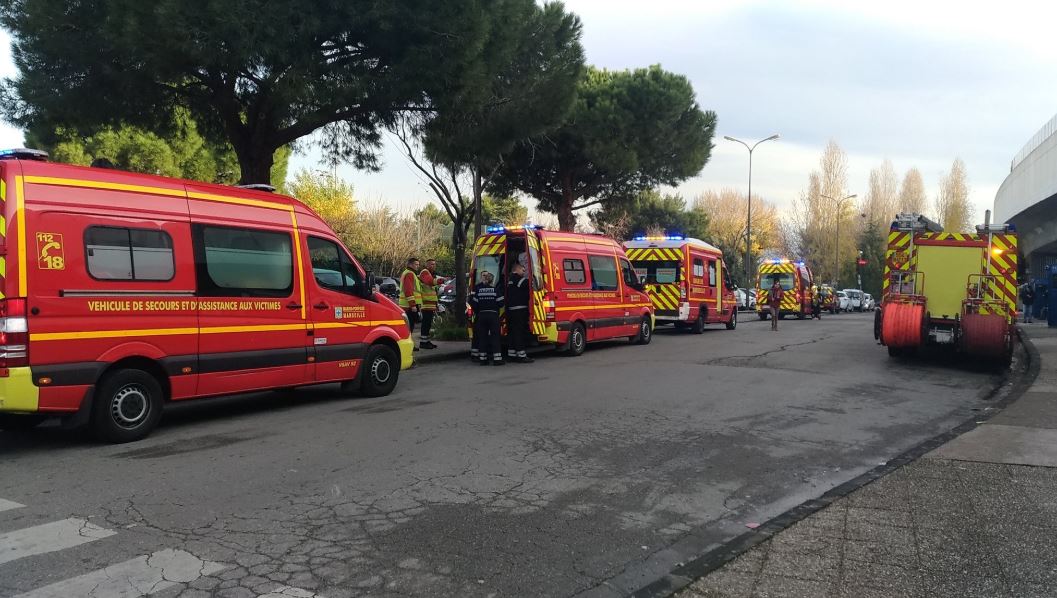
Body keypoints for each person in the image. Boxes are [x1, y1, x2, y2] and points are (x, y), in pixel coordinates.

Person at [470, 271, 504, 365]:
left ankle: (483, 359)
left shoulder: (479, 291)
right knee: (495, 337)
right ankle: (497, 359)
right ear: (492, 281)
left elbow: (474, 304)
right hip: (493, 316)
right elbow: (501, 303)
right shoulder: (495, 290)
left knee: (482, 337)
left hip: (481, 316)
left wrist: (479, 312)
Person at [506, 263, 534, 363]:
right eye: (523, 270)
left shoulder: (509, 280)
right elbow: (531, 283)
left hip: (511, 311)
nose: (524, 272)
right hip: (519, 311)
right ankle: (521, 355)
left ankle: (512, 354)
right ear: (516, 269)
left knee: (512, 333)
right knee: (519, 333)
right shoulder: (518, 279)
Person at [418, 259, 444, 349]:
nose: (434, 266)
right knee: (426, 324)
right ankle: (423, 343)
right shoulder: (424, 272)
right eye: (432, 264)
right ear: (427, 265)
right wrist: (440, 280)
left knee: (428, 324)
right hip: (426, 304)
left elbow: (433, 290)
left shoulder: (430, 274)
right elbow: (430, 282)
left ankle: (427, 341)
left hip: (430, 304)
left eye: (434, 264)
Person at [399, 258, 422, 349]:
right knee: (410, 327)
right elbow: (408, 290)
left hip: (407, 304)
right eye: (416, 264)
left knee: (409, 326)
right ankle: (409, 346)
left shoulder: (408, 273)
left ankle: (409, 345)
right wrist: (413, 305)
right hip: (409, 305)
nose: (418, 266)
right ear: (411, 265)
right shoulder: (409, 274)